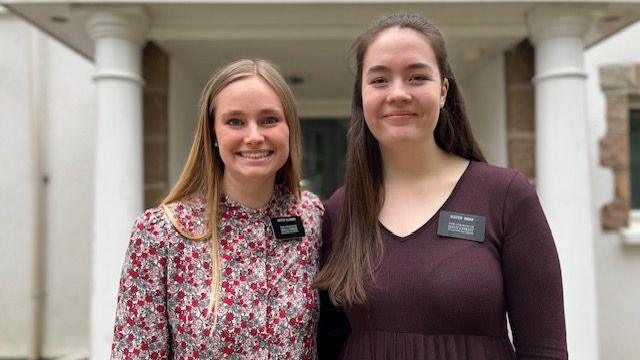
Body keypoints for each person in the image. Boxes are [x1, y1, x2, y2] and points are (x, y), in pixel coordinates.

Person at [314, 13, 567, 360]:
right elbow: (328, 343)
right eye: (380, 80)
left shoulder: (505, 195)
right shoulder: (341, 210)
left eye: (417, 77)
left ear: (443, 90)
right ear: (361, 95)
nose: (398, 93)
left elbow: (545, 350)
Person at [111, 59, 323, 359]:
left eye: (269, 120)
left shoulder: (312, 217)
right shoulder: (161, 233)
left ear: (289, 128)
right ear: (212, 132)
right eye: (235, 121)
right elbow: (136, 350)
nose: (254, 136)